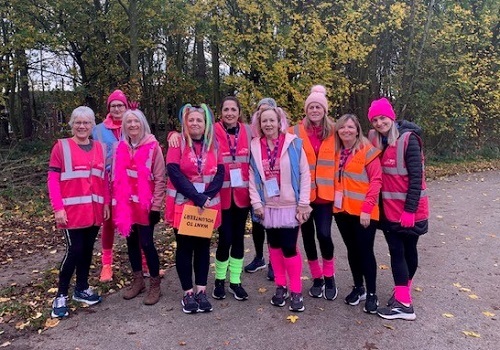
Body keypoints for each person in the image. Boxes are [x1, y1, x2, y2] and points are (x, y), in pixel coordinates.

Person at [366, 98, 429, 321]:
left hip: (410, 210)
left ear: (391, 117)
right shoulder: (376, 139)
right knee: (398, 252)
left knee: (408, 251)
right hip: (389, 211)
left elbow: (416, 179)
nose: (379, 122)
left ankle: (403, 303)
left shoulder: (408, 140)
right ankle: (403, 294)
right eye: (374, 119)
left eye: (382, 118)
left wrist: (410, 211)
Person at [48, 106, 109, 318]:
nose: (82, 126)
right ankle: (61, 295)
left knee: (87, 251)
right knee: (74, 251)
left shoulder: (100, 147)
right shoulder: (61, 147)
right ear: (72, 124)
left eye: (86, 123)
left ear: (93, 125)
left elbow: (104, 180)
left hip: (94, 212)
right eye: (78, 122)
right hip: (71, 212)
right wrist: (58, 208)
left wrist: (107, 204)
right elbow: (53, 180)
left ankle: (81, 288)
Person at [249, 106, 311, 312]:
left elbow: (304, 175)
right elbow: (252, 177)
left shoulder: (293, 143)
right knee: (273, 247)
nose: (268, 124)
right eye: (264, 121)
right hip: (268, 207)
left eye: (271, 121)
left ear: (279, 122)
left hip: (290, 205)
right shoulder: (255, 145)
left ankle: (296, 291)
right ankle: (280, 286)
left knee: (289, 248)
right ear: (260, 124)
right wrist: (256, 203)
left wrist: (303, 203)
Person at [165, 104, 224, 313]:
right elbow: (174, 172)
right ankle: (187, 293)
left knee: (202, 248)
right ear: (185, 123)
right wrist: (197, 197)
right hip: (184, 204)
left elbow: (220, 173)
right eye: (191, 120)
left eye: (199, 120)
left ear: (205, 123)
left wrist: (205, 198)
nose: (195, 123)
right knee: (184, 248)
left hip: (205, 205)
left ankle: (201, 290)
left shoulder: (213, 144)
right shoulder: (177, 142)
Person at [93, 90, 150, 281]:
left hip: (133, 181)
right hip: (108, 181)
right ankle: (107, 264)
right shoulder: (98, 130)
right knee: (108, 222)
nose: (117, 109)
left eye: (121, 105)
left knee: (137, 220)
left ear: (126, 107)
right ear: (108, 108)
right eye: (113, 105)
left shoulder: (134, 125)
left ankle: (144, 262)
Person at [112, 108, 165, 306]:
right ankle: (138, 280)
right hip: (127, 205)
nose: (132, 125)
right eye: (128, 122)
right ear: (124, 126)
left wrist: (156, 207)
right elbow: (116, 178)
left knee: (147, 243)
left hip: (146, 205)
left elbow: (160, 179)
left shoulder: (153, 147)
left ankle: (155, 284)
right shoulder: (121, 147)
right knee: (131, 243)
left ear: (142, 123)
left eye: (136, 121)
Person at [288, 85, 337, 300]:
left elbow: (359, 144)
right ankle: (317, 277)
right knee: (307, 237)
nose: (314, 110)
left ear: (325, 110)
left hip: (326, 196)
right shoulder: (294, 131)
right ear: (306, 110)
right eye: (311, 107)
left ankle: (330, 276)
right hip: (303, 197)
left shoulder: (336, 130)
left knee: (324, 235)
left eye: (318, 107)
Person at [332, 114, 382, 314]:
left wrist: (367, 209)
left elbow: (376, 181)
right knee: (352, 250)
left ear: (357, 129)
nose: (346, 131)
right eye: (342, 127)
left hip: (363, 212)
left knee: (365, 251)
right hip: (342, 210)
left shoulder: (367, 151)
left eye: (350, 127)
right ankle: (358, 287)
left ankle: (371, 293)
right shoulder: (336, 152)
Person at [244, 98, 277, 281]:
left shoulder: (278, 132)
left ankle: (274, 261)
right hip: (256, 184)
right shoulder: (250, 133)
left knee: (272, 225)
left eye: (268, 111)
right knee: (257, 224)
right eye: (260, 111)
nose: (264, 116)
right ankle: (259, 257)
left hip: (274, 187)